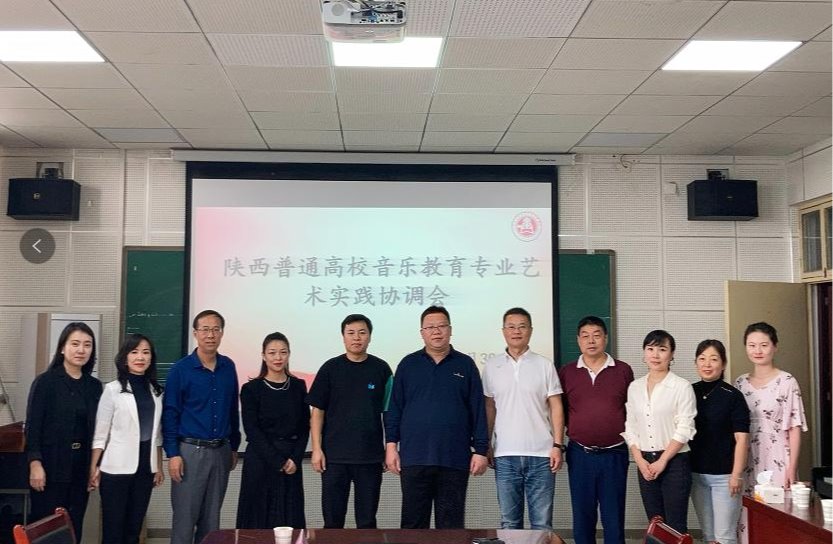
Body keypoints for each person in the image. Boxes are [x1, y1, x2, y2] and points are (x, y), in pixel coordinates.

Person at [384, 305, 489, 529]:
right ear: (422, 332)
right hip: (414, 457)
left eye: (442, 326)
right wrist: (391, 445)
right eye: (430, 327)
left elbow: (478, 410)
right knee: (413, 526)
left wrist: (481, 450)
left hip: (454, 458)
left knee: (451, 528)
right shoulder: (408, 364)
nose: (436, 331)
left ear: (450, 330)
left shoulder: (465, 365)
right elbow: (395, 408)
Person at [162, 310, 241, 544]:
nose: (210, 335)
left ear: (222, 333)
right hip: (190, 453)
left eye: (216, 329)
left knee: (211, 523)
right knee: (185, 522)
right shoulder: (180, 369)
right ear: (195, 333)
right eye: (205, 329)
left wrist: (234, 447)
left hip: (221, 451)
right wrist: (173, 454)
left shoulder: (228, 367)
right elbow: (170, 413)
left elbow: (231, 408)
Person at [306, 314, 392, 528]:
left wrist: (389, 448)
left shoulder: (381, 369)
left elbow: (389, 412)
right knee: (332, 522)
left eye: (362, 332)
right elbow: (317, 411)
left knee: (367, 522)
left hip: (369, 457)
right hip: (334, 458)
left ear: (370, 336)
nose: (356, 337)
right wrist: (316, 449)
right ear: (343, 337)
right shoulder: (330, 368)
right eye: (351, 333)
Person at [482, 307, 564, 530]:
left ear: (530, 330)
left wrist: (557, 445)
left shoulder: (544, 365)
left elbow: (556, 406)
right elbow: (489, 407)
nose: (516, 331)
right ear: (503, 331)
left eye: (522, 326)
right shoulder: (491, 366)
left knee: (542, 524)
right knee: (510, 523)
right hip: (505, 455)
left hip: (542, 455)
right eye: (511, 326)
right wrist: (486, 444)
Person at [559, 316, 633, 544]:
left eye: (596, 335)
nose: (591, 341)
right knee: (582, 517)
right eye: (585, 336)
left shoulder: (622, 370)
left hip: (614, 454)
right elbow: (560, 412)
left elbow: (632, 411)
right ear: (578, 340)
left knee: (614, 517)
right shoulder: (567, 372)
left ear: (606, 338)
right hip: (580, 454)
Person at [25, 322, 103, 541]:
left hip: (80, 466)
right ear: (62, 348)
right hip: (50, 465)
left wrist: (95, 466)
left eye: (87, 345)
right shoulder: (45, 382)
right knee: (47, 527)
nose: (81, 350)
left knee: (74, 525)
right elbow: (33, 426)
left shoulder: (94, 386)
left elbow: (97, 431)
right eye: (75, 344)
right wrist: (35, 464)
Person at [88, 334, 165, 544]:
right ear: (125, 358)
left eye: (146, 352)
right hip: (116, 469)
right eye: (134, 352)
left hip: (145, 469)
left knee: (133, 530)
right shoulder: (112, 390)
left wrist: (158, 466)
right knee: (113, 531)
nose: (140, 357)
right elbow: (100, 434)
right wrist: (93, 467)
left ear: (151, 358)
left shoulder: (157, 391)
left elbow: (157, 434)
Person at [622, 330, 696, 534]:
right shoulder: (634, 387)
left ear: (671, 355)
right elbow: (631, 426)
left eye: (662, 349)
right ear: (644, 353)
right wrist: (639, 460)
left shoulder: (681, 386)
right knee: (655, 524)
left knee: (675, 526)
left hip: (674, 462)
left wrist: (663, 461)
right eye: (650, 349)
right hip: (645, 462)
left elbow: (685, 428)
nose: (655, 355)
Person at [236, 332, 309, 529]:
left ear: (289, 354)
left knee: (290, 518)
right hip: (260, 460)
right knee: (258, 520)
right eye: (272, 352)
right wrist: (279, 461)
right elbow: (252, 430)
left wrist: (295, 458)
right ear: (263, 356)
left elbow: (305, 427)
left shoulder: (298, 386)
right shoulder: (251, 389)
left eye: (283, 352)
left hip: (291, 462)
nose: (278, 357)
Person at [734, 322, 807, 493]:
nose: (757, 351)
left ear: (775, 347)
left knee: (777, 503)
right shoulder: (740, 383)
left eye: (764, 345)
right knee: (748, 504)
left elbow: (794, 428)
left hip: (778, 457)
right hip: (747, 457)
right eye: (752, 345)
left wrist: (792, 468)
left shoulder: (787, 382)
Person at [689, 339, 749, 544]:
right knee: (708, 535)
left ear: (723, 364)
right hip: (696, 475)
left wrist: (736, 475)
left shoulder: (733, 396)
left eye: (714, 359)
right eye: (702, 359)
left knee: (725, 536)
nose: (707, 364)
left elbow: (742, 439)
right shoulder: (689, 392)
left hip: (725, 477)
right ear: (696, 363)